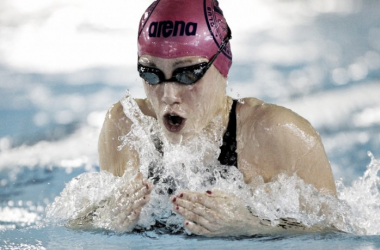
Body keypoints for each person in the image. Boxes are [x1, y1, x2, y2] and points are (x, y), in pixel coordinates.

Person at [98, 0, 337, 237]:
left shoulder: (277, 133)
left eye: (188, 74)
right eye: (151, 74)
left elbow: (336, 233)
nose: (168, 95)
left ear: (222, 66)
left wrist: (253, 225)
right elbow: (79, 222)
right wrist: (107, 216)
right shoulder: (126, 126)